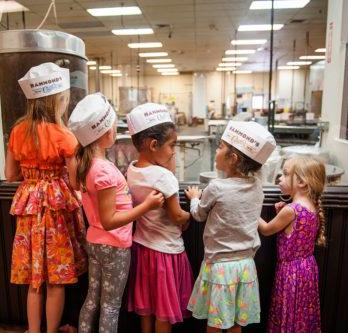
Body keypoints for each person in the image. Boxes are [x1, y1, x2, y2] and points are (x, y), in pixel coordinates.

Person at [68, 93, 165, 333]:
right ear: (104, 133)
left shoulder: (86, 164)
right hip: (114, 246)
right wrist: (146, 206)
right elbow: (109, 220)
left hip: (94, 242)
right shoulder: (104, 171)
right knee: (110, 306)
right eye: (113, 125)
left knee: (92, 298)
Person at [5, 62, 87, 333]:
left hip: (29, 206)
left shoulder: (18, 131)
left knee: (35, 278)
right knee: (56, 279)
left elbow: (9, 173)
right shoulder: (65, 135)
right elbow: (76, 182)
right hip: (55, 208)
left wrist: (32, 176)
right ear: (58, 100)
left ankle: (33, 330)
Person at [185, 121, 277, 333]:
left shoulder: (216, 187)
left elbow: (198, 214)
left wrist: (193, 198)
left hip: (220, 267)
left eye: (220, 146)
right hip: (245, 267)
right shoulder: (257, 187)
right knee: (236, 322)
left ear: (233, 159)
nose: (217, 150)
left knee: (215, 324)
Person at [126, 103, 193, 333]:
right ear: (154, 145)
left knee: (147, 308)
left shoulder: (132, 169)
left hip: (143, 250)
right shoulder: (164, 177)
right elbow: (176, 216)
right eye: (172, 145)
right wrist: (190, 215)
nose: (174, 151)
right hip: (166, 253)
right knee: (163, 313)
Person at [258, 156, 326, 333]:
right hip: (307, 270)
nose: (280, 178)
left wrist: (249, 210)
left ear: (302, 182)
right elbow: (295, 231)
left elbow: (265, 230)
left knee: (287, 313)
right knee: (301, 315)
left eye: (286, 174)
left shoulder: (291, 210)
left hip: (291, 273)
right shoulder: (311, 205)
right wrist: (282, 213)